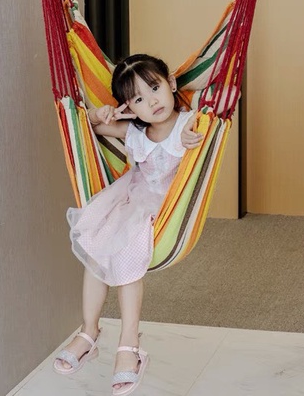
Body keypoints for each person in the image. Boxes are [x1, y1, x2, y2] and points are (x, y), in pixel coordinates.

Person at [53, 53, 204, 394]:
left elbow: (208, 118)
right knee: (95, 250)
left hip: (163, 208)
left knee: (126, 259)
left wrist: (192, 133)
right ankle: (89, 332)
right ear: (129, 107)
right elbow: (86, 127)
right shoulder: (135, 132)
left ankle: (129, 345)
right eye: (137, 99)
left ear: (171, 84)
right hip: (129, 199)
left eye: (155, 88)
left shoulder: (188, 123)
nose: (152, 102)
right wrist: (102, 113)